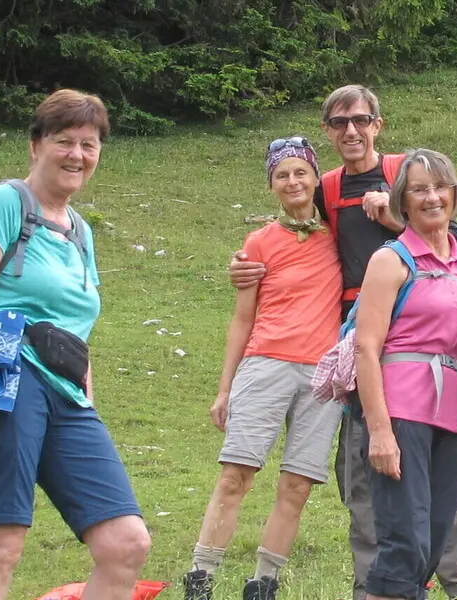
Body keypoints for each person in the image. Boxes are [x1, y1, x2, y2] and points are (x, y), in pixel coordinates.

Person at [228, 86, 457, 600]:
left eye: (361, 120)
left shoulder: (404, 175)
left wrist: (393, 219)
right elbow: (293, 223)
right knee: (370, 482)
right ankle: (377, 587)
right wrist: (248, 263)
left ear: (378, 124)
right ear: (327, 130)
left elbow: (451, 243)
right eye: (340, 122)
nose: (351, 130)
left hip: (418, 340)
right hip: (358, 351)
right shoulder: (325, 186)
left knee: (438, 490)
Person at [0, 89, 151, 600]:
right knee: (1, 544)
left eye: (89, 144)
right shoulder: (4, 202)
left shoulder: (80, 229)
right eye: (64, 141)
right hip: (7, 379)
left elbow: (76, 329)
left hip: (69, 395)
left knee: (126, 544)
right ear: (36, 144)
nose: (77, 155)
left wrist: (88, 400)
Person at [181, 137, 345, 600]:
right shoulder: (259, 242)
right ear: (271, 185)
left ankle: (264, 584)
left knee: (297, 486)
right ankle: (201, 578)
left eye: (300, 172)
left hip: (323, 375)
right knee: (236, 475)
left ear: (316, 178)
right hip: (266, 364)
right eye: (282, 175)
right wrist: (224, 388)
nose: (292, 182)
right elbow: (242, 318)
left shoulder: (341, 233)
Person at [351, 148, 457, 600]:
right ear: (403, 199)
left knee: (432, 544)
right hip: (402, 413)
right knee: (406, 544)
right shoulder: (391, 261)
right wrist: (378, 431)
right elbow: (365, 346)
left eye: (439, 187)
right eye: (419, 189)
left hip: (454, 417)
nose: (431, 197)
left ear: (455, 195)